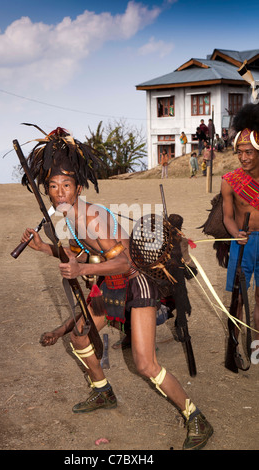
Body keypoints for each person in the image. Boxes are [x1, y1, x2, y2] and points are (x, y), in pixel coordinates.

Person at [19, 125, 213, 450]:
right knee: (80, 335)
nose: (59, 192)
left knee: (145, 363)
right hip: (112, 283)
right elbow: (83, 253)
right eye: (52, 186)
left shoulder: (91, 217)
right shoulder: (72, 216)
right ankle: (102, 391)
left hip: (136, 282)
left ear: (78, 186)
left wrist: (81, 268)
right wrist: (44, 248)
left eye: (66, 184)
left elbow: (123, 263)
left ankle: (196, 418)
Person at [221, 103, 259, 345]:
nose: (243, 157)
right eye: (240, 152)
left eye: (249, 152)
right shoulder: (230, 181)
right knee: (238, 298)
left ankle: (256, 343)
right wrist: (236, 233)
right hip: (242, 242)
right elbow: (227, 216)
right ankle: (234, 345)